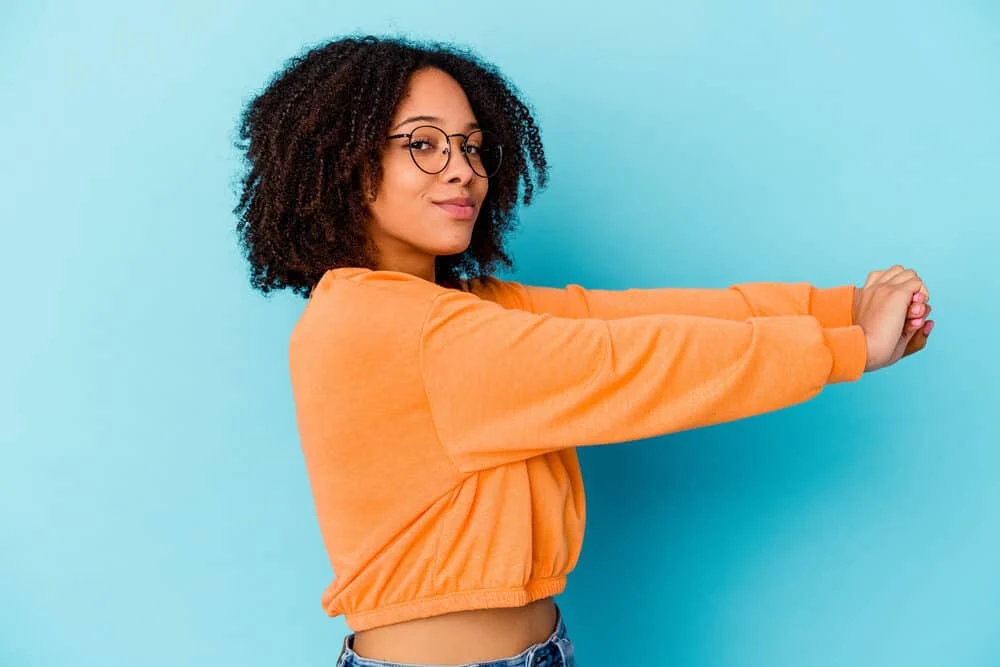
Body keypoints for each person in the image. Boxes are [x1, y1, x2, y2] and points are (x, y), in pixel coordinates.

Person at [232, 35, 934, 667]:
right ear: (345, 163)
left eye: (472, 145)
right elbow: (632, 364)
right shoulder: (384, 326)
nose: (461, 170)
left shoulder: (457, 309)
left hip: (542, 650)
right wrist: (848, 347)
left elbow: (640, 318)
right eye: (423, 144)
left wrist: (844, 305)